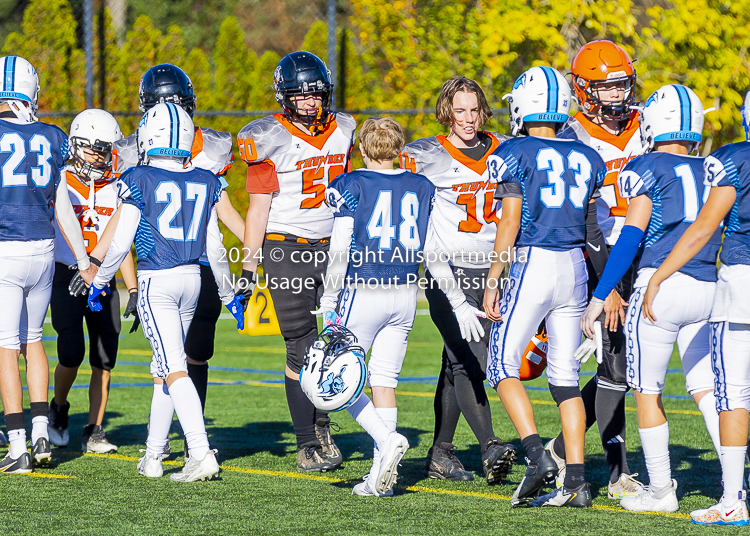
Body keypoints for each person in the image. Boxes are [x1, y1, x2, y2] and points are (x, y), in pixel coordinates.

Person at [580, 84, 722, 513]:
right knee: (710, 391)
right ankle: (734, 482)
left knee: (647, 391)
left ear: (654, 123)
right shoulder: (713, 168)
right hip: (708, 288)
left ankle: (662, 490)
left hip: (658, 290)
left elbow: (630, 237)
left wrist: (600, 294)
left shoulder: (646, 166)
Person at [88, 102, 244, 481]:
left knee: (173, 367)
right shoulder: (206, 179)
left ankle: (201, 452)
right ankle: (154, 456)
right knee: (164, 367)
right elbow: (215, 248)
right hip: (194, 279)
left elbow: (121, 242)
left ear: (149, 136)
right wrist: (227, 294)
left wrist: (98, 280)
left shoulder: (139, 177)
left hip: (158, 281)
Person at [483, 66, 606, 508]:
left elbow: (510, 222)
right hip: (573, 266)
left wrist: (494, 278)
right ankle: (576, 480)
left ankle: (537, 455)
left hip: (534, 261)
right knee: (566, 379)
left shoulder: (514, 151)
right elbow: (593, 222)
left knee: (500, 365)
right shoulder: (589, 155)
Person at [238, 51, 356, 472]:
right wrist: (249, 267)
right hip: (285, 248)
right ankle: (307, 439)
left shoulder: (344, 128)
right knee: (301, 346)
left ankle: (322, 422)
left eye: (315, 94)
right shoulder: (268, 137)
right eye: (298, 95)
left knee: (337, 340)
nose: (308, 102)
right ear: (283, 96)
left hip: (333, 247)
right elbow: (257, 209)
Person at [639, 91, 750, 526]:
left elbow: (704, 228)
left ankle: (732, 498)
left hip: (740, 283)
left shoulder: (734, 158)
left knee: (732, 394)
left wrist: (661, 275)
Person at [399, 76, 516, 483]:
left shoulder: (505, 148)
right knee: (472, 360)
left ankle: (440, 453)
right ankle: (490, 446)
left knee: (456, 362)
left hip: (495, 270)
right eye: (459, 110)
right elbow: (419, 225)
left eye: (474, 109)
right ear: (447, 112)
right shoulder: (424, 155)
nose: (468, 118)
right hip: (448, 271)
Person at [547, 40, 647, 499]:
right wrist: (605, 283)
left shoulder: (646, 125)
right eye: (604, 89)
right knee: (617, 364)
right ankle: (616, 470)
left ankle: (557, 448)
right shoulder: (571, 136)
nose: (616, 96)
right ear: (583, 90)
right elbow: (584, 215)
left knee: (627, 364)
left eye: (621, 85)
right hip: (601, 254)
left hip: (646, 252)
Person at [319, 116, 432, 495]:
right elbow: (432, 248)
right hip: (404, 293)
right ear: (400, 149)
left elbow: (338, 252)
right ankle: (379, 474)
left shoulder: (352, 184)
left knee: (333, 381)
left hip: (364, 288)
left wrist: (329, 299)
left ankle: (385, 440)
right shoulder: (420, 186)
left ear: (362, 150)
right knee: (384, 380)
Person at [0, 55, 94, 473]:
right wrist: (83, 258)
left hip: (5, 249)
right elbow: (63, 208)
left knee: (5, 347)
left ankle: (18, 443)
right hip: (43, 252)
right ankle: (41, 429)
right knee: (33, 339)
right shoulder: (54, 137)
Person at [47, 109, 137, 454]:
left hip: (104, 278)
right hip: (67, 275)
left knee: (104, 357)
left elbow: (122, 243)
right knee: (70, 352)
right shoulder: (60, 179)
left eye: (105, 149)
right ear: (76, 145)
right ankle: (59, 407)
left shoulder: (118, 187)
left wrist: (132, 287)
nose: (100, 156)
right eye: (93, 148)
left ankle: (94, 430)